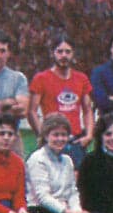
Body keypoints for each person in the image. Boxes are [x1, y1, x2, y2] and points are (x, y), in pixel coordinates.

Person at [29, 35, 95, 169]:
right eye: (60, 51)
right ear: (53, 53)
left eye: (68, 52)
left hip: (75, 140)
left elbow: (88, 110)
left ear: (73, 54)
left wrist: (88, 135)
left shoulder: (81, 79)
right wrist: (43, 135)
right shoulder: (41, 79)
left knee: (77, 183)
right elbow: (31, 111)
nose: (64, 55)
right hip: (52, 140)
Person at [0, 30, 30, 154]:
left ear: (8, 53)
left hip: (10, 134)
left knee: (19, 169)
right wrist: (7, 103)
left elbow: (23, 111)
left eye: (2, 51)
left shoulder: (18, 78)